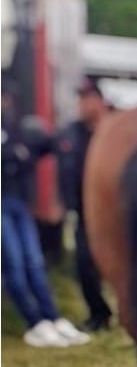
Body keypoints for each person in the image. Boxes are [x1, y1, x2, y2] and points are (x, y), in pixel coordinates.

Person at [2, 87, 90, 347]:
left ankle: (52, 317)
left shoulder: (16, 131)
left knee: (34, 262)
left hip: (18, 203)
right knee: (14, 264)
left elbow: (43, 147)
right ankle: (35, 322)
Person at [56, 76, 114, 332]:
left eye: (86, 99)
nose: (81, 105)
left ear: (99, 101)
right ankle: (99, 314)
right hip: (85, 210)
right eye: (80, 99)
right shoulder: (72, 133)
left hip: (116, 211)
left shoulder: (117, 130)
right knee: (84, 264)